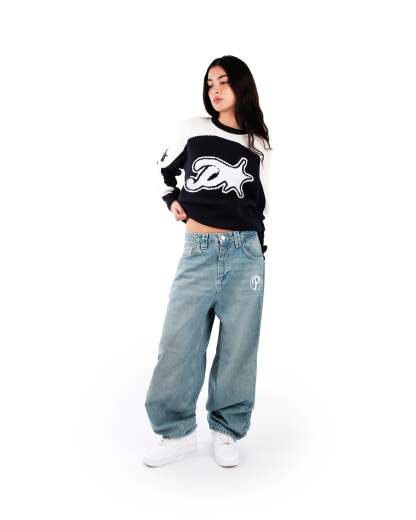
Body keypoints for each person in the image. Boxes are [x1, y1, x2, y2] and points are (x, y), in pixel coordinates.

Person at [143, 55, 273, 468]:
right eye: (210, 83)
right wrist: (171, 199)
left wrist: (258, 252)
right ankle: (176, 432)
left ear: (242, 86)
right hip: (198, 250)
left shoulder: (258, 144)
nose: (215, 89)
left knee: (239, 346)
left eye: (224, 82)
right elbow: (163, 169)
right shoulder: (193, 129)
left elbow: (262, 203)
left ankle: (226, 429)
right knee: (178, 342)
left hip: (246, 253)